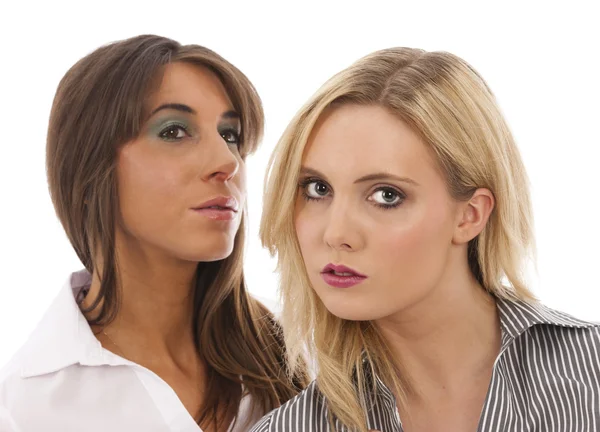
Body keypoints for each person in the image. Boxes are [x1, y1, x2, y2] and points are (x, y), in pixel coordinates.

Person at [251, 48, 600, 431]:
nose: (336, 234)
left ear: (470, 215)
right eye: (317, 189)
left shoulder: (590, 373)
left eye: (386, 195)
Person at [0, 34, 307, 432]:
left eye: (230, 134)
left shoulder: (303, 351)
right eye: (174, 131)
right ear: (91, 169)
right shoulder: (26, 408)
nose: (226, 161)